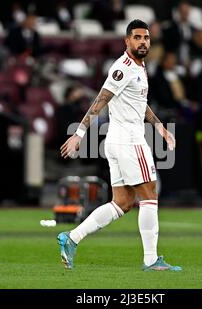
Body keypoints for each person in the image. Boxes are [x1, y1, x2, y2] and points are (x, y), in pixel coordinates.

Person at [58, 20, 181, 272]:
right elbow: (101, 99)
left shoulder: (140, 66)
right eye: (137, 37)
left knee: (122, 203)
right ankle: (150, 260)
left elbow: (139, 101)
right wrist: (79, 133)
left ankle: (71, 238)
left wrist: (158, 126)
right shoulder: (123, 68)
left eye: (146, 38)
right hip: (129, 140)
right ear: (127, 41)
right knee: (150, 197)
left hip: (118, 140)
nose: (143, 42)